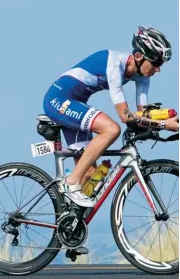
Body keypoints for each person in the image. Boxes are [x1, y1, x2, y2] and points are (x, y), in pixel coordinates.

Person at [43, 26, 179, 208]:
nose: (158, 69)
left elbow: (142, 115)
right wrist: (163, 124)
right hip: (59, 100)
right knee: (111, 129)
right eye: (155, 63)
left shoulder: (142, 76)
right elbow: (125, 116)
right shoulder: (114, 64)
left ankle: (65, 226)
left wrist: (166, 122)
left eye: (160, 64)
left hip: (76, 105)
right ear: (138, 56)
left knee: (91, 173)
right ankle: (71, 182)